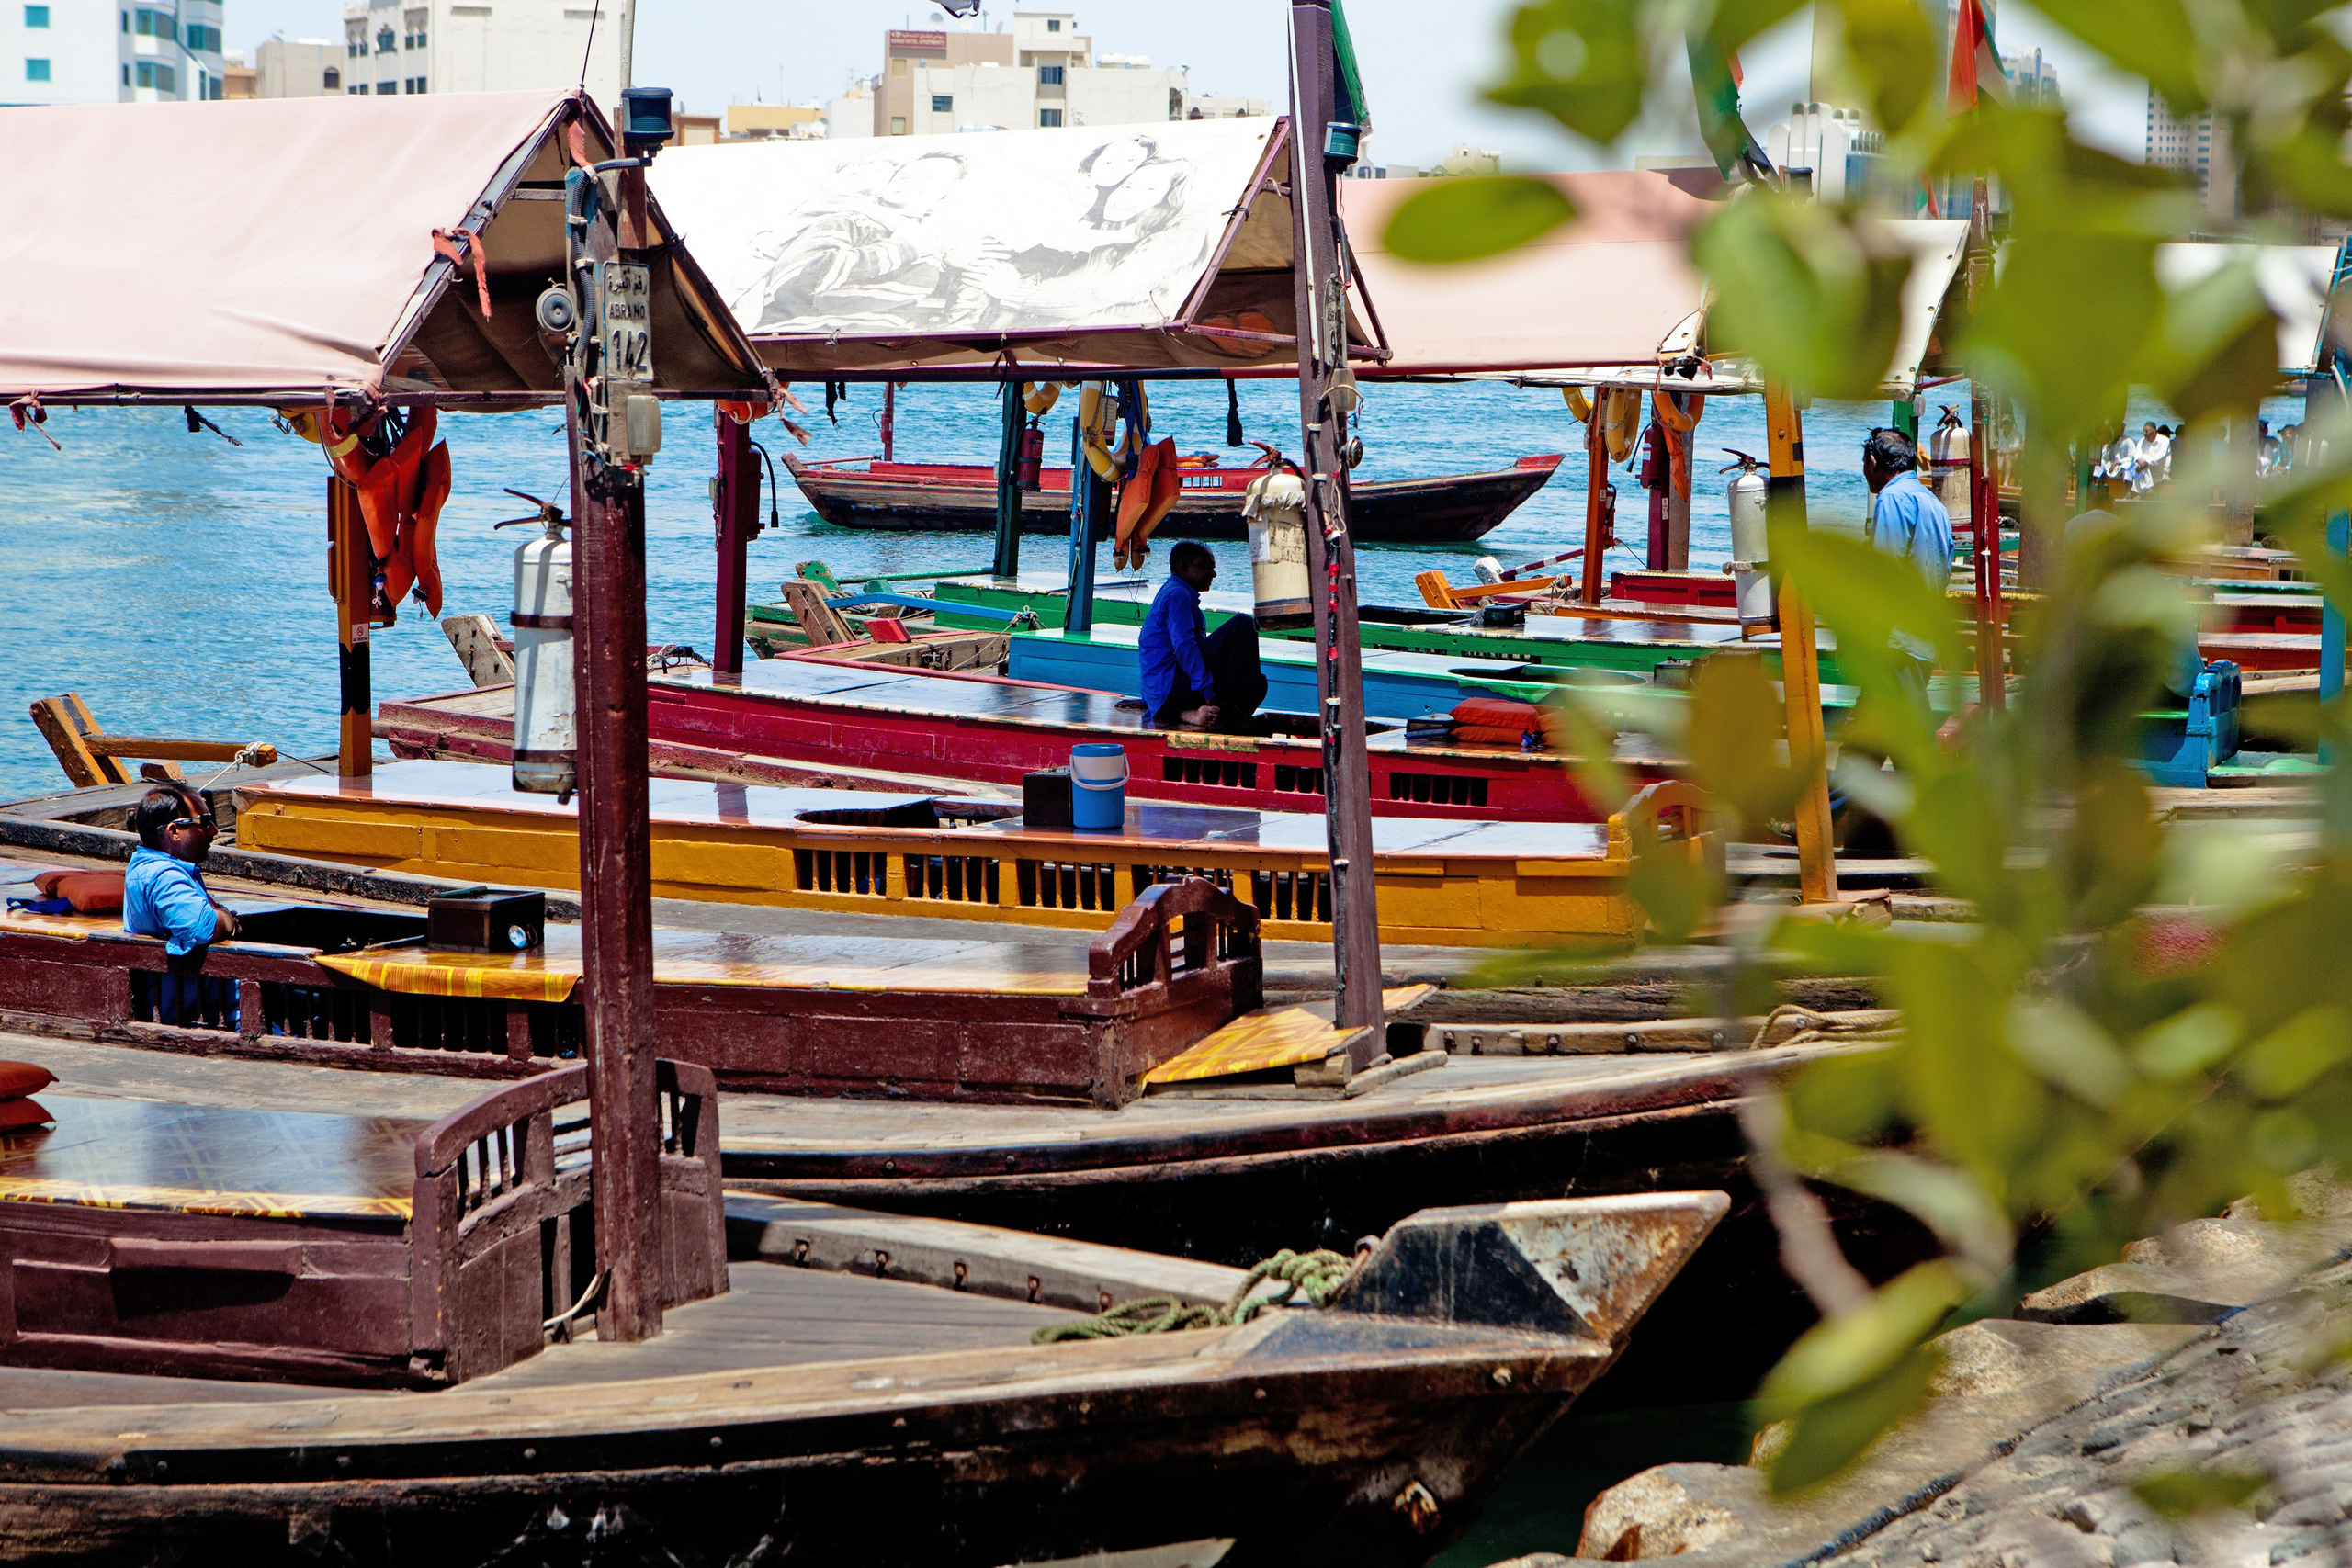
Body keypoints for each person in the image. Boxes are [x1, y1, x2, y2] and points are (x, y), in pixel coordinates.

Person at [124, 784, 240, 1027]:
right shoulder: (164, 875)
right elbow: (199, 928)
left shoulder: (155, 868)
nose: (214, 831)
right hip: (192, 1018)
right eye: (204, 822)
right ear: (174, 831)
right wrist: (227, 919)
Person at [1862, 427, 1955, 714]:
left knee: (1911, 732)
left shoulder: (1891, 498)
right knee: (1869, 731)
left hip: (1898, 642)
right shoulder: (1933, 504)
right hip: (1923, 639)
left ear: (1873, 462)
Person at [1138, 541, 1267, 731]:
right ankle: (1226, 708)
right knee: (1243, 624)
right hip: (1170, 690)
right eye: (1205, 567)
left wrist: (1150, 698)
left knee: (1255, 682)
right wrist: (1209, 694)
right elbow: (1185, 648)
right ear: (1183, 567)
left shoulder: (1171, 590)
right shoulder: (1178, 595)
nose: (1213, 574)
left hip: (1162, 693)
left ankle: (1202, 709)